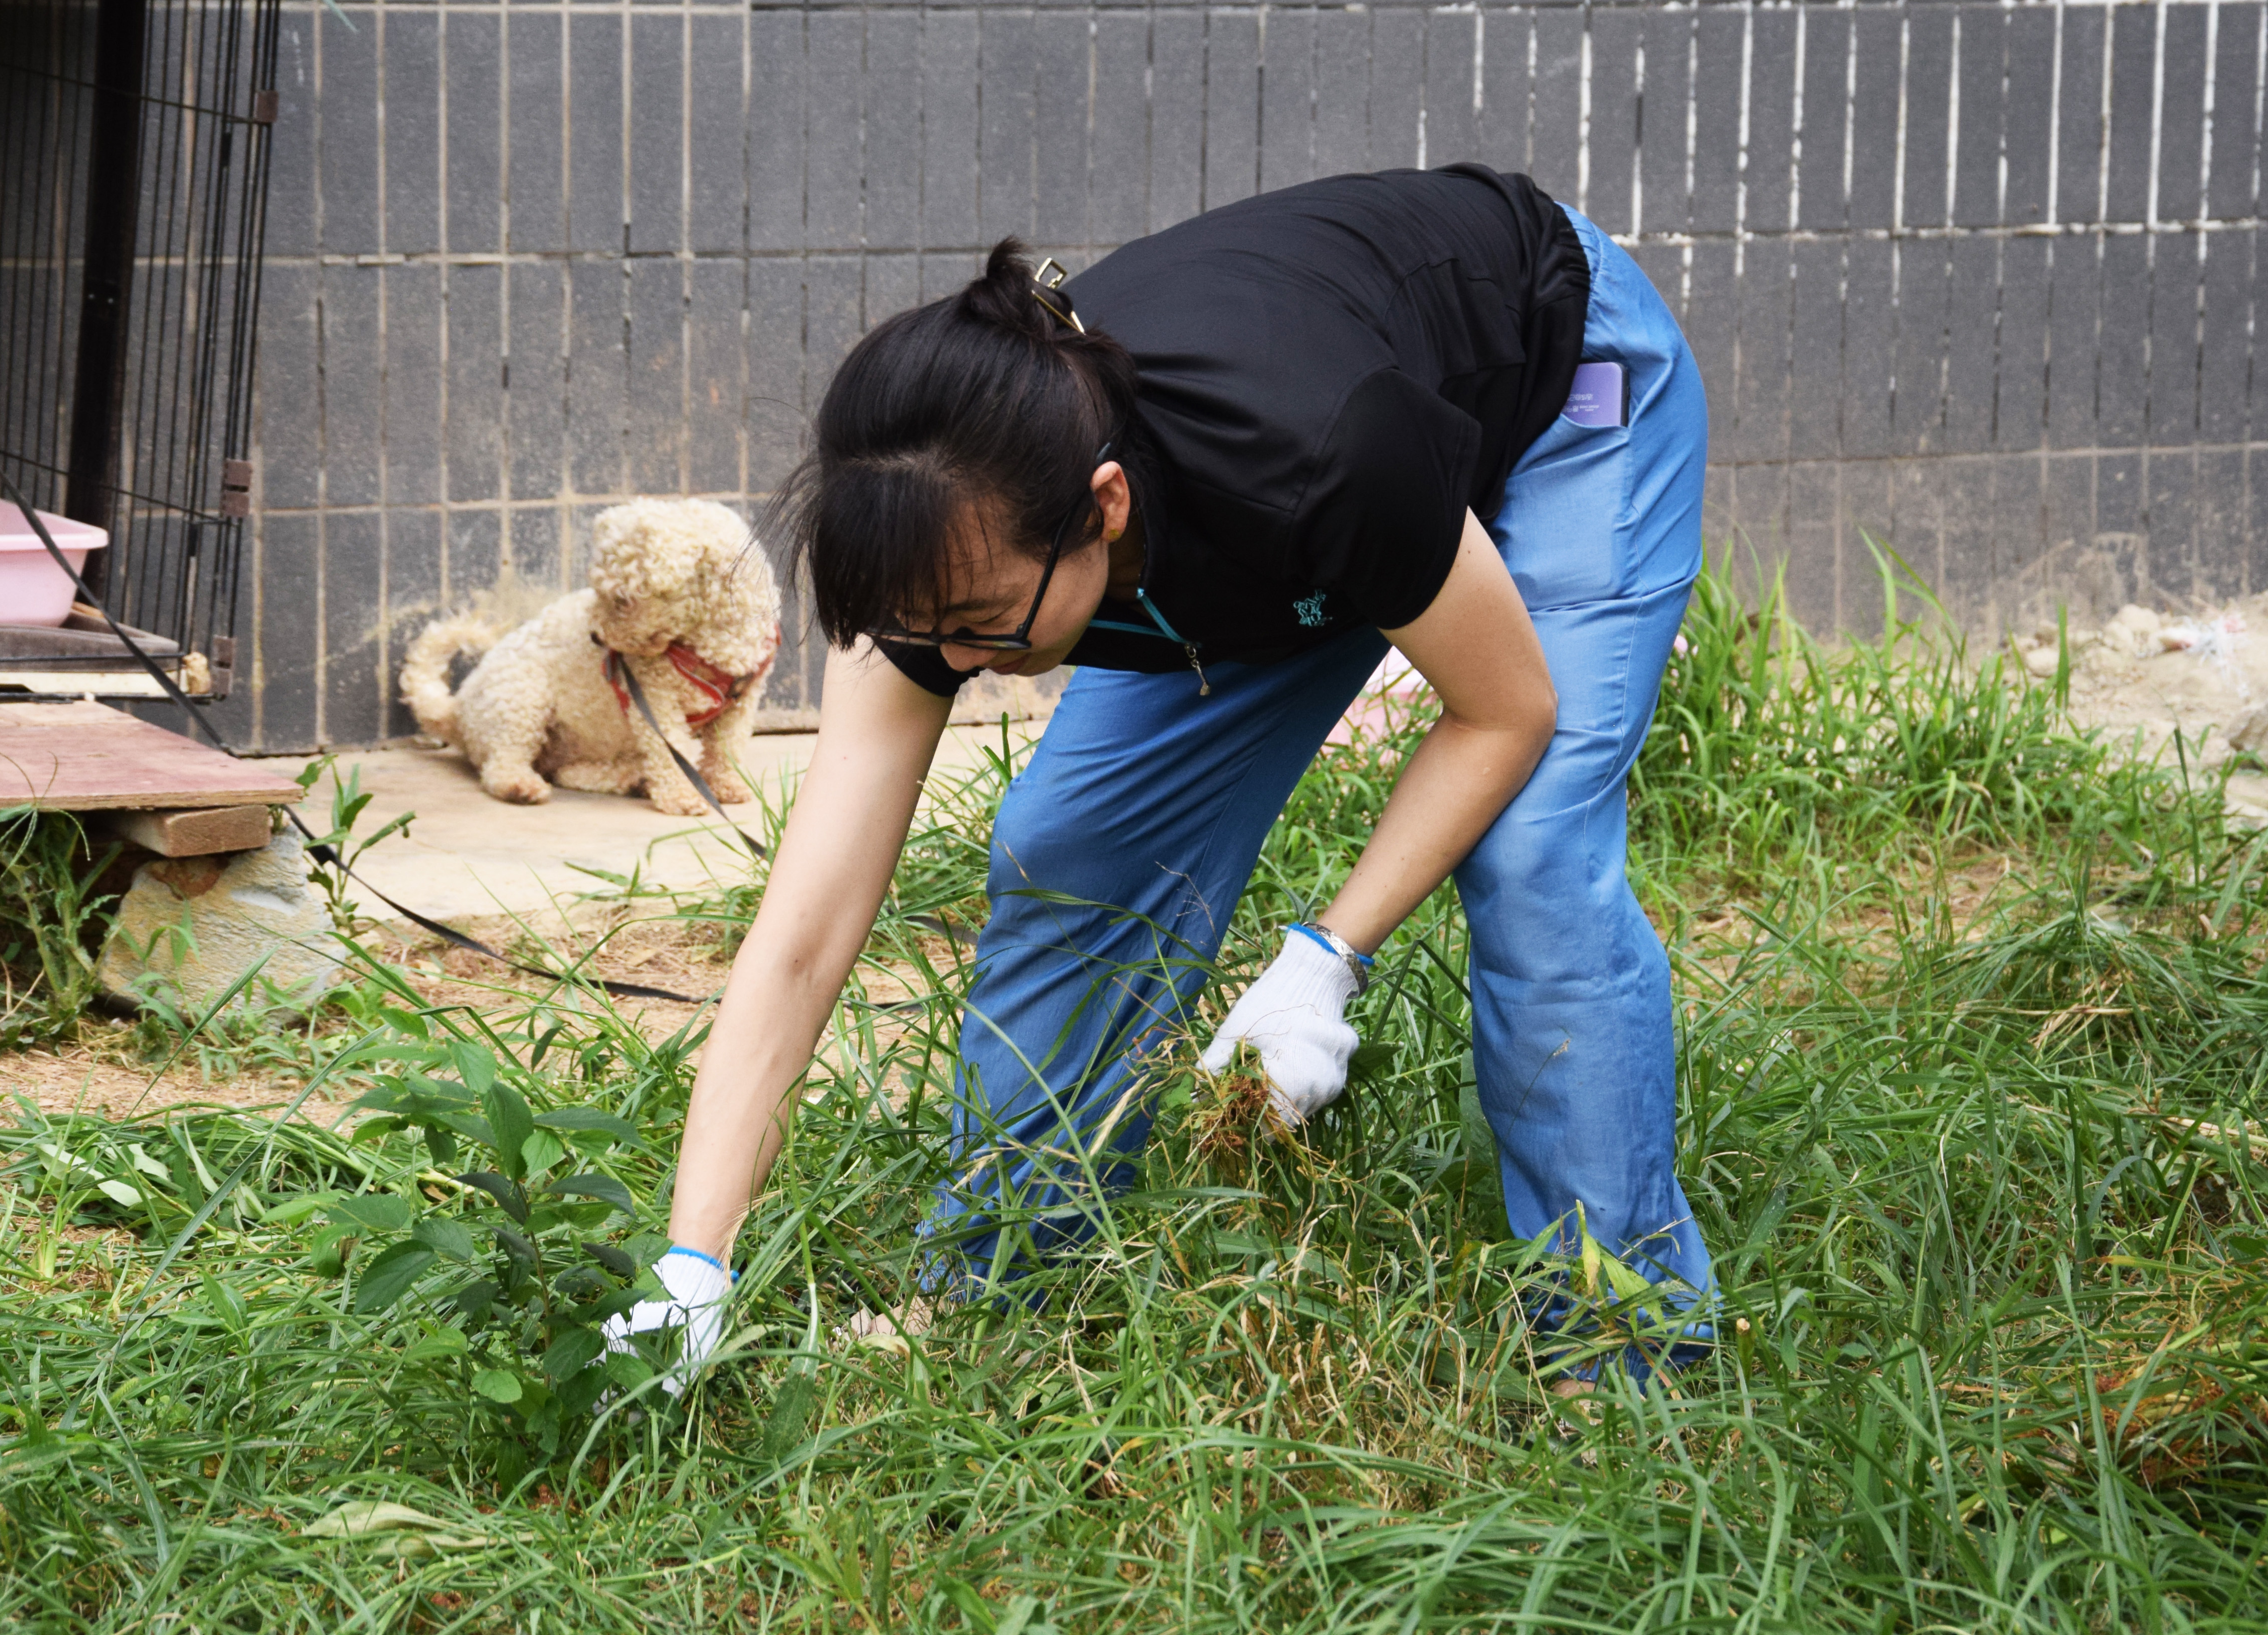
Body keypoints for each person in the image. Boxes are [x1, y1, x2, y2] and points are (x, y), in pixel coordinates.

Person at [607, 163, 1715, 1386]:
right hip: (1284, 533)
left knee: (1533, 852)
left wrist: (1323, 959)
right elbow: (806, 935)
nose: (961, 662)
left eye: (983, 624)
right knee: (1073, 847)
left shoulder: (1316, 448)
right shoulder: (939, 549)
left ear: (1104, 504)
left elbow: (1506, 711)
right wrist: (692, 1259)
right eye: (935, 637)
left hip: (1550, 380)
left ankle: (1625, 1351)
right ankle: (1004, 1286)